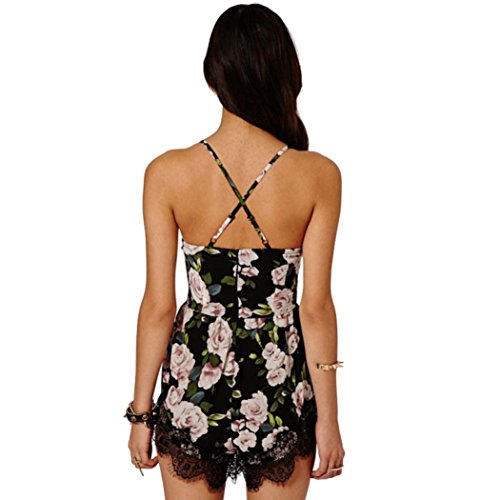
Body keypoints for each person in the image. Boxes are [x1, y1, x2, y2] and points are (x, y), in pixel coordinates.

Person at [124, 4, 344, 499]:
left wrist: (141, 414)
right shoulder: (318, 175)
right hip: (281, 387)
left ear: (213, 73)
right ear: (286, 72)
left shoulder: (167, 173)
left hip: (192, 387)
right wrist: (328, 420)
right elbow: (314, 309)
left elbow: (158, 306)